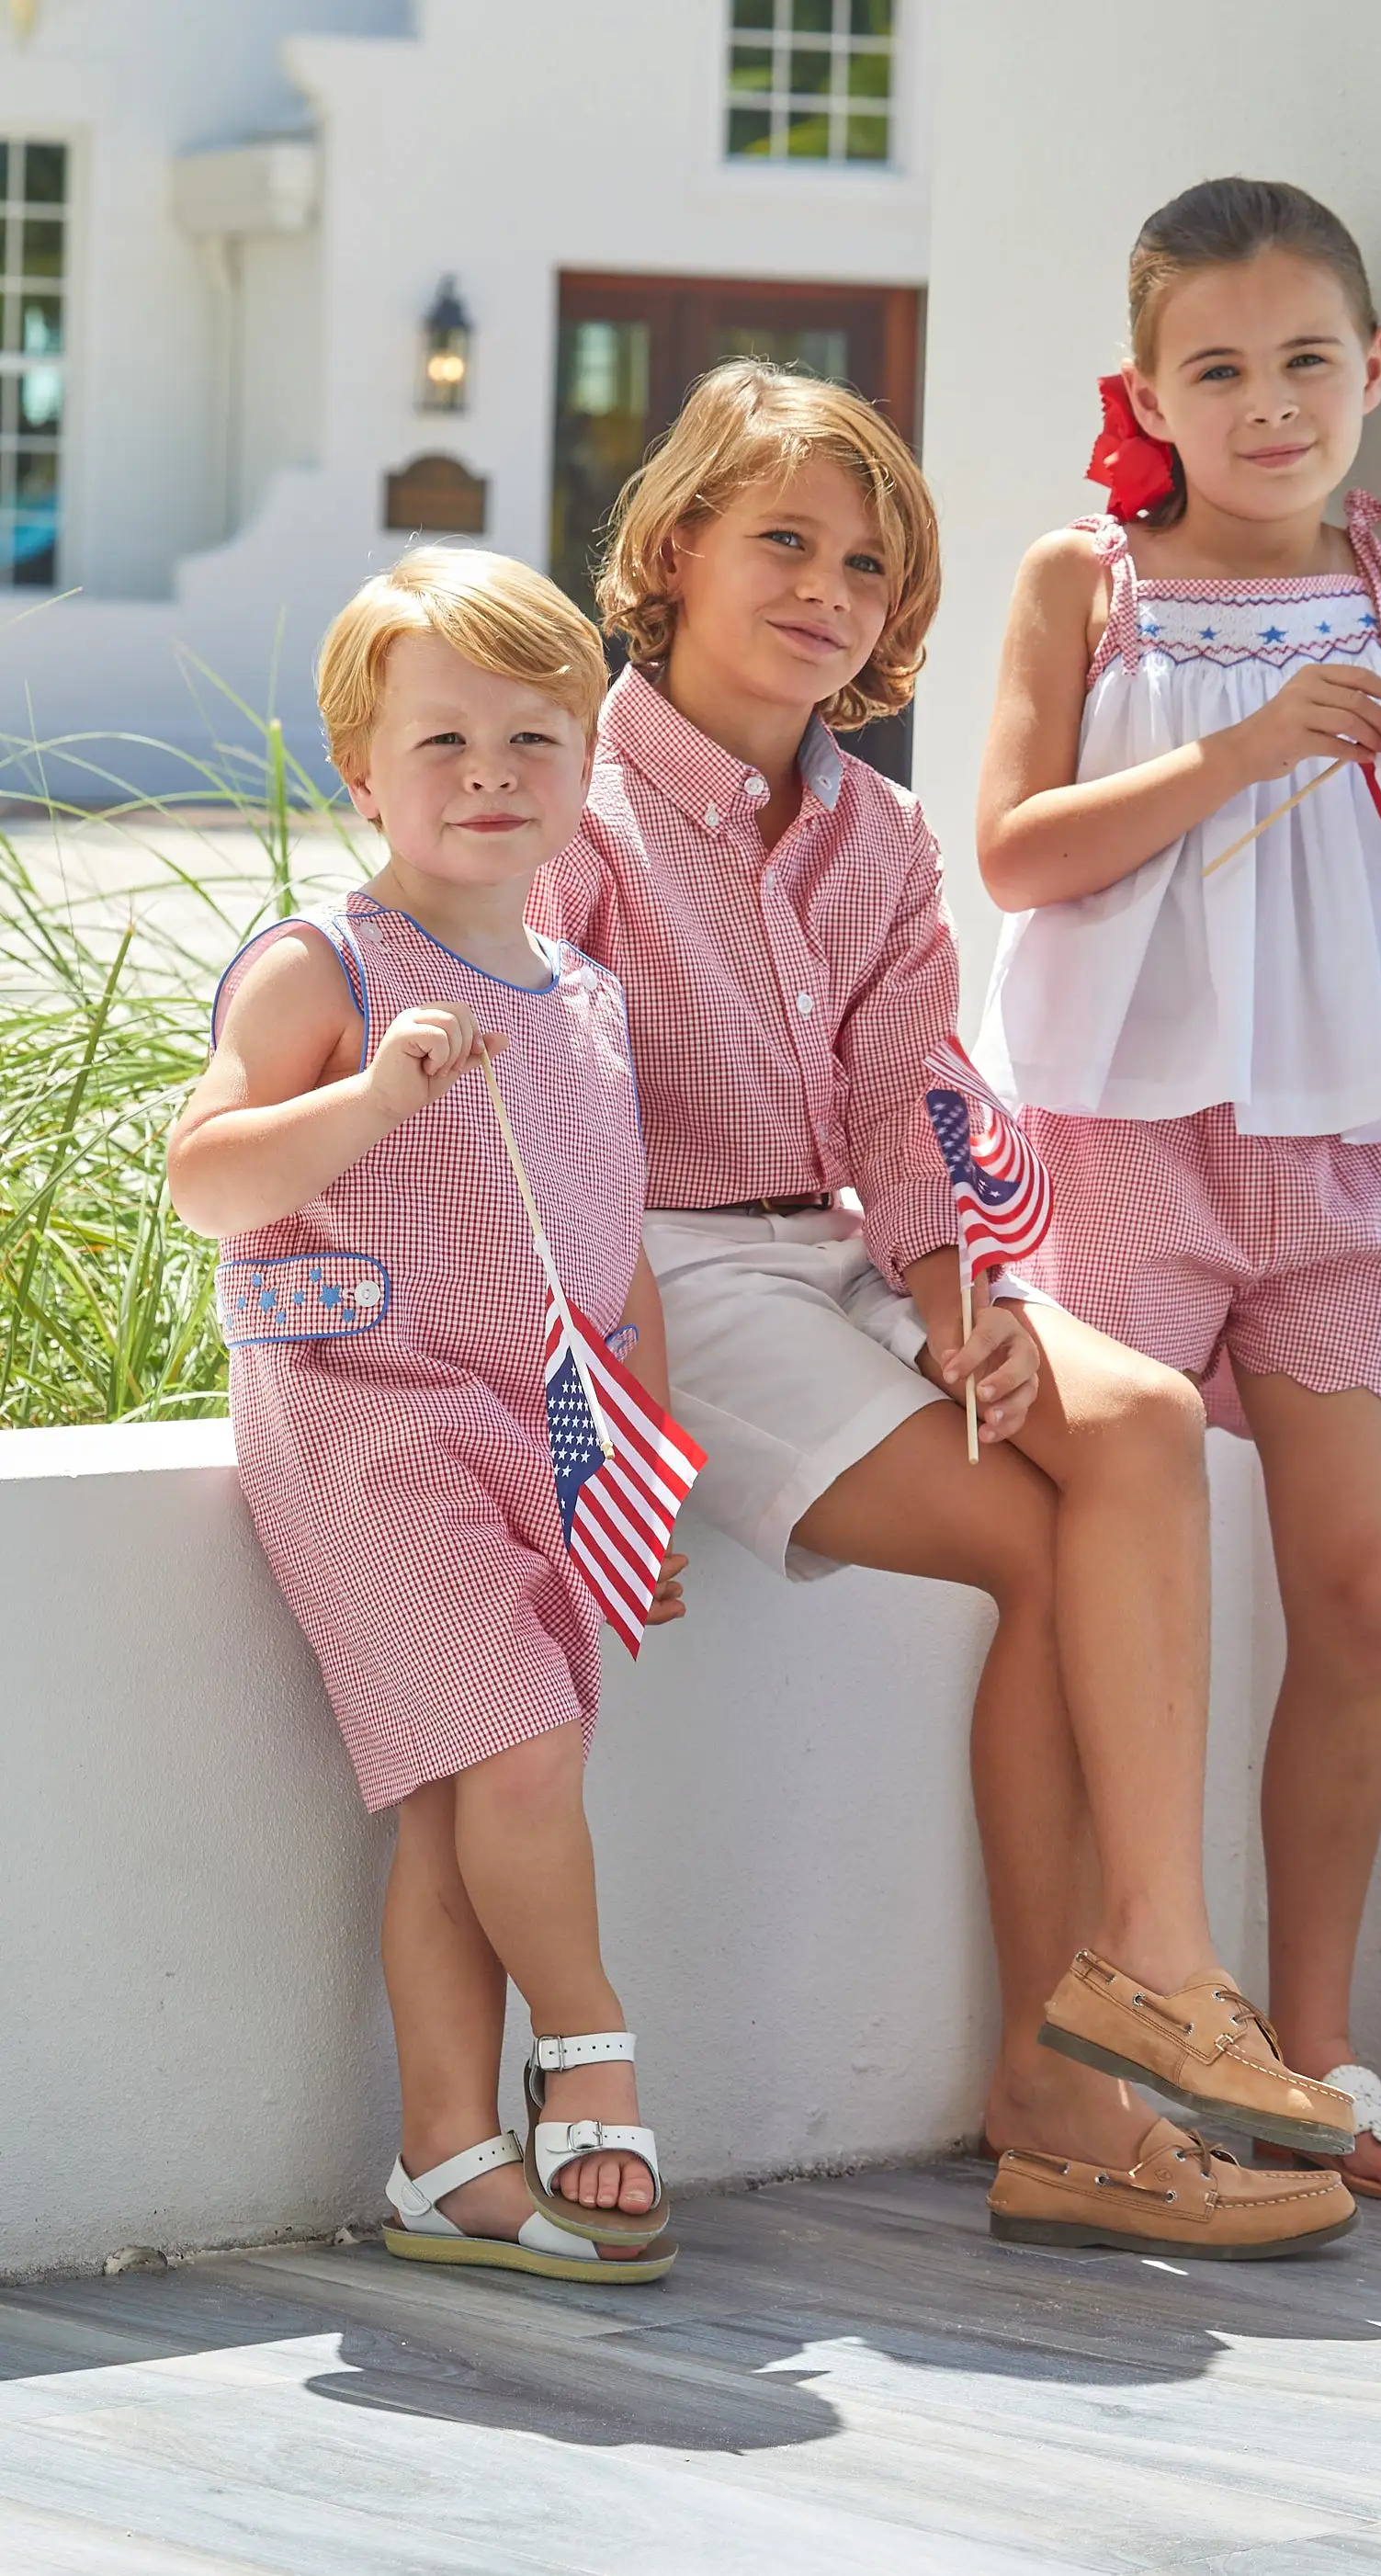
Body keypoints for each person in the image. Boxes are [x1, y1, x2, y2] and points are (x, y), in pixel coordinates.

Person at [532, 358, 1359, 2260]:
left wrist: (958, 1297)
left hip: (844, 1254)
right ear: (673, 549)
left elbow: (915, 1104)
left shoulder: (881, 845)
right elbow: (536, 1112)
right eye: (786, 544)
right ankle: (1055, 2100)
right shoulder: (572, 803)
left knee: (1136, 1411)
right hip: (673, 1281)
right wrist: (598, 1395)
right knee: (1046, 1555)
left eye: (871, 564)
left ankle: (1151, 1961)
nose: (829, 590)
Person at [974, 178, 1381, 2204]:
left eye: (1304, 362)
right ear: (1151, 392)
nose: (1267, 403)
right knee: (1127, 1562)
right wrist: (1245, 746)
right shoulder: (1084, 581)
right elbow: (1013, 854)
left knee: (1358, 1591)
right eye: (1219, 367)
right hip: (1127, 1139)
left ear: (1369, 374)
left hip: (1344, 1139)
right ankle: (1128, 2033)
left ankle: (1316, 2046)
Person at [168, 548, 688, 2284]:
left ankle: (448, 2153)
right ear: (360, 771)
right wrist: (374, 1094)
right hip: (366, 1422)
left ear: (589, 762)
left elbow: (617, 1262)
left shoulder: (588, 997)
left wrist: (647, 1465)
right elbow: (205, 1174)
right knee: (521, 1753)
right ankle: (591, 2033)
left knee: (468, 1799)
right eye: (444, 740)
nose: (488, 776)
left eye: (534, 742)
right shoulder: (329, 965)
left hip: (534, 1440)